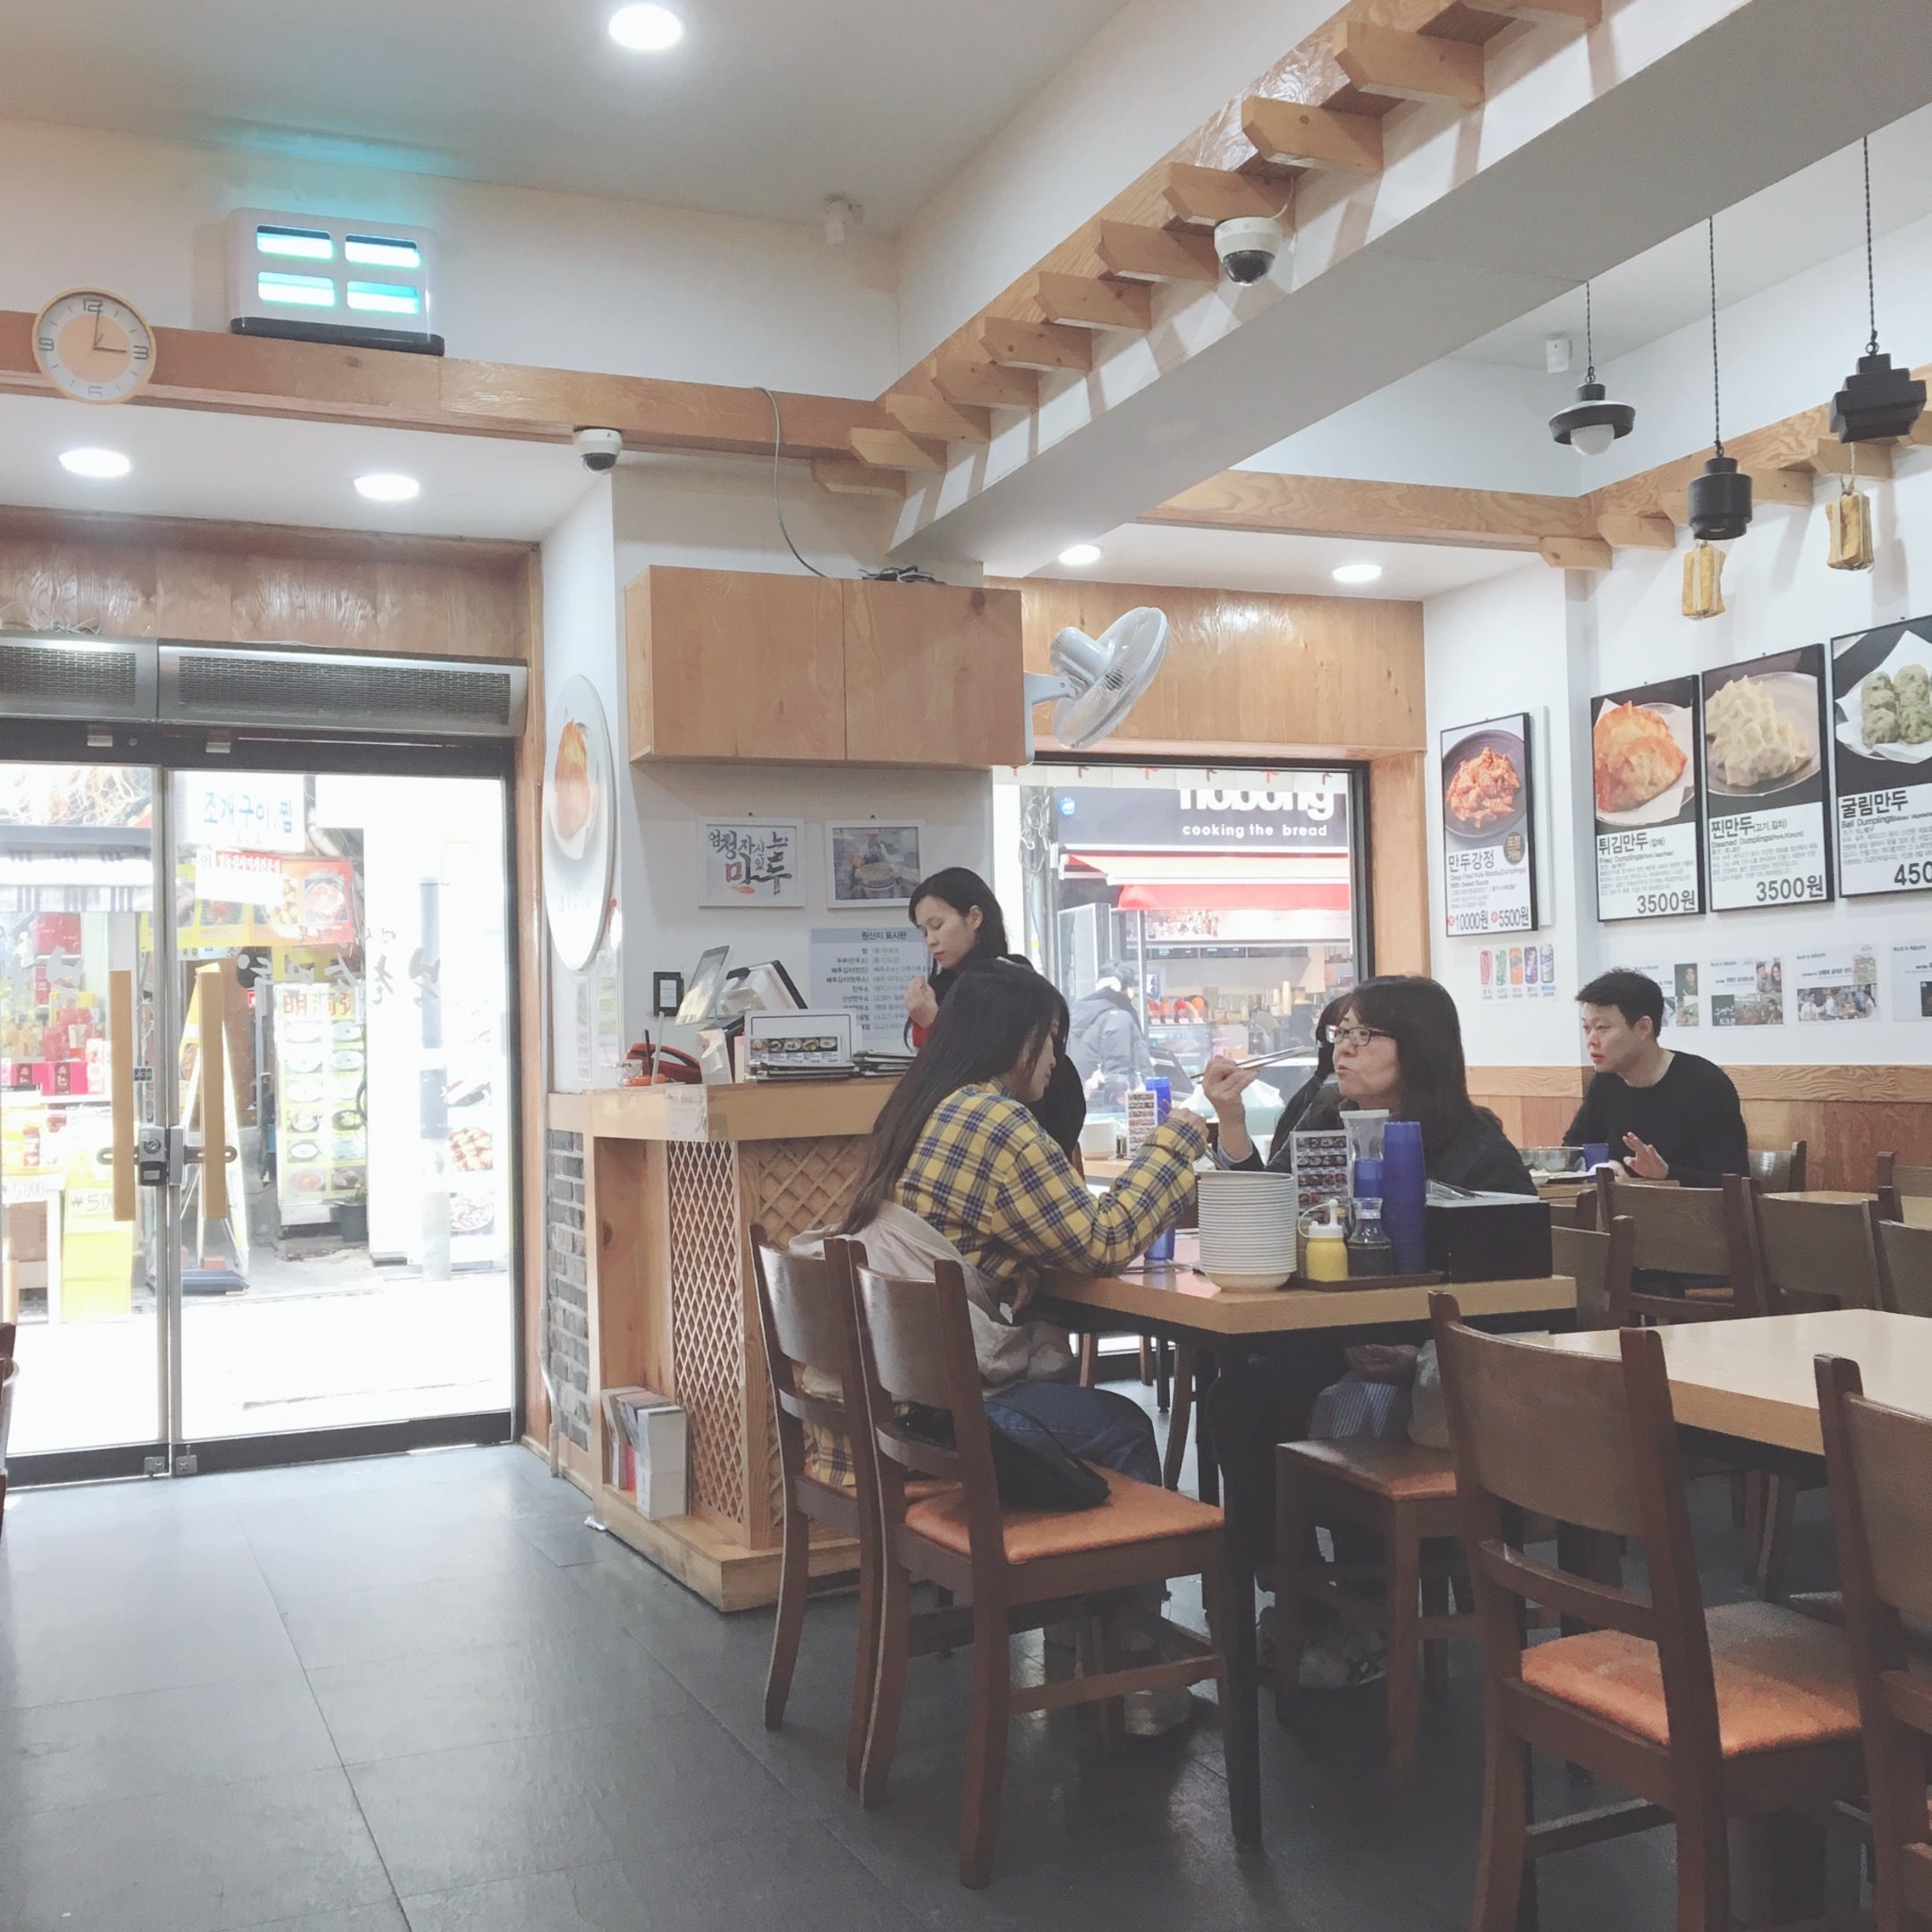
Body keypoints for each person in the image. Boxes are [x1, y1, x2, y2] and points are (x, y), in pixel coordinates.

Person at [841, 961, 1253, 1734]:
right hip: (955, 1418)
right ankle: (1132, 1664)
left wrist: (1010, 1264)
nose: (1057, 1059)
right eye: (1052, 1040)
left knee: (1080, 1405)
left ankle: (1080, 1632)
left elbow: (969, 1231)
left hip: (902, 1409)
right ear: (1017, 1040)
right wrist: (1180, 1136)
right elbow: (1102, 1240)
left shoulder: (922, 1104)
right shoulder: (994, 1121)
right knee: (1121, 1425)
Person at [1204, 975, 1535, 1690]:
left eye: (1363, 1035)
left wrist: (1418, 1354)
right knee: (1239, 1398)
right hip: (1335, 1340)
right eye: (1340, 1034)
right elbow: (1271, 1215)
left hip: (1435, 1370)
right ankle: (1301, 1592)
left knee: (1350, 1407)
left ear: (1418, 1048)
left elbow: (1516, 1300)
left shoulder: (1478, 1150)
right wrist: (1230, 1119)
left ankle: (1369, 1612)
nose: (1343, 1050)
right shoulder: (1327, 1119)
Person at [902, 867, 1085, 1156]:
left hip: (1024, 1129)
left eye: (937, 925)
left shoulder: (1012, 979)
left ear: (975, 917)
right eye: (924, 932)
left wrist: (934, 1023)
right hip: (963, 1136)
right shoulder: (938, 989)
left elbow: (989, 1069)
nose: (931, 940)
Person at [1564, 968, 1748, 1188]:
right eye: (1587, 1028)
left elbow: (1734, 1182)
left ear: (1644, 1028)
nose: (1591, 1041)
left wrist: (1667, 1174)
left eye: (1602, 1028)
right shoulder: (1606, 1081)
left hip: (1687, 1208)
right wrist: (1603, 1167)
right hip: (1621, 1206)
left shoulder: (1705, 1085)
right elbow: (1573, 1149)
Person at [1066, 961, 1156, 1107]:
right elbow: (1117, 1074)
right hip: (1111, 1106)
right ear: (1128, 989)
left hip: (1085, 1102)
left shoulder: (1078, 1013)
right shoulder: (1118, 1017)